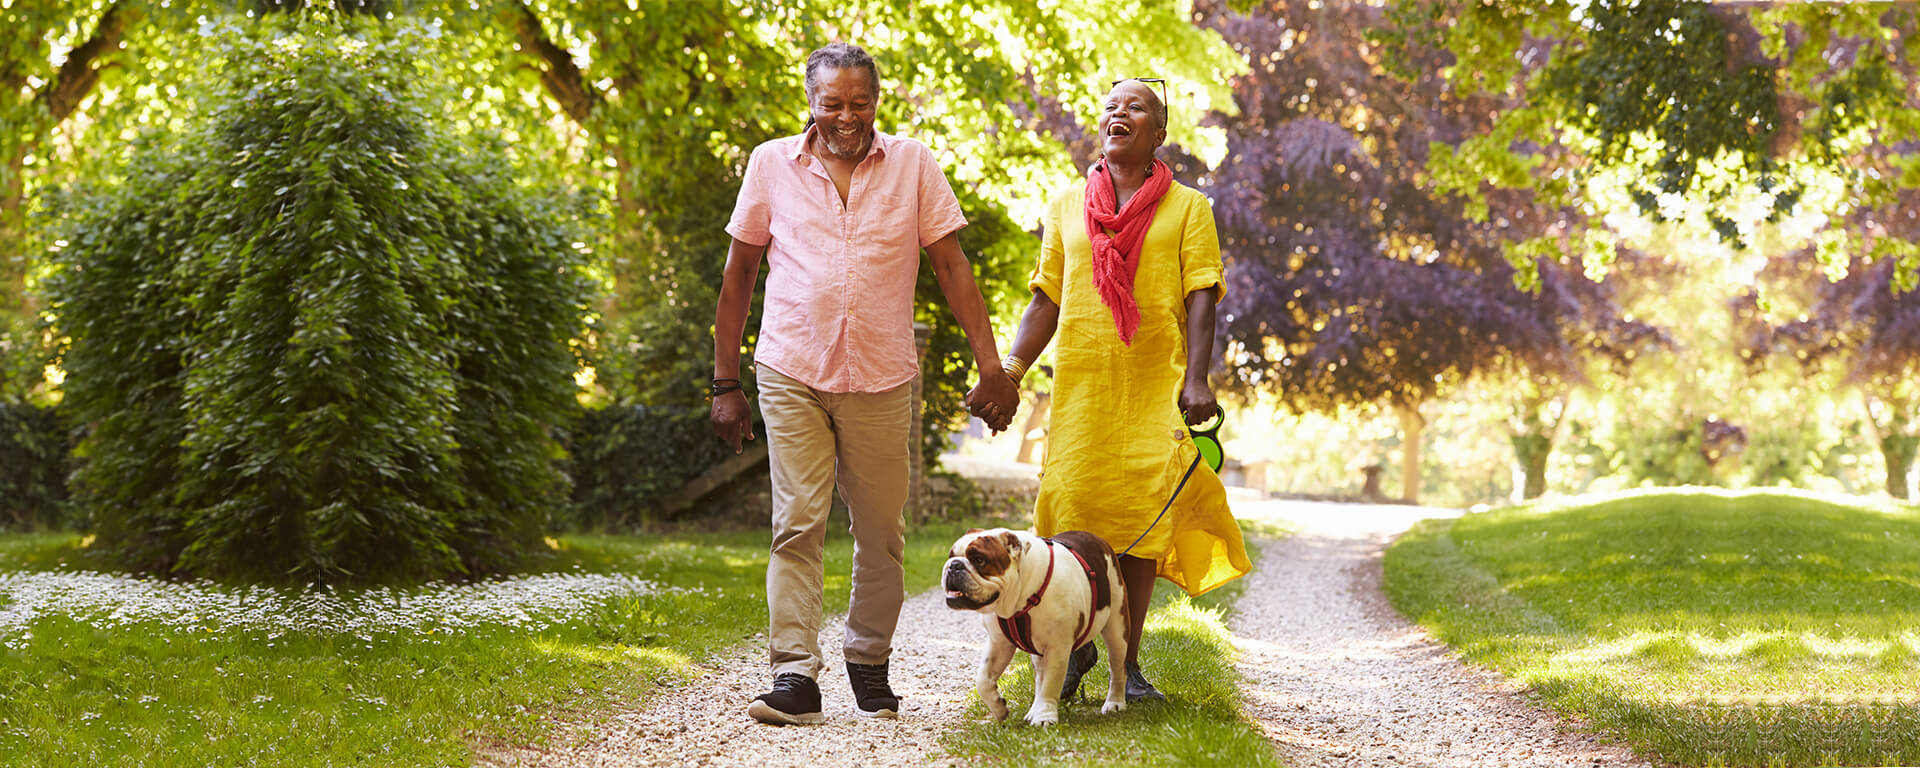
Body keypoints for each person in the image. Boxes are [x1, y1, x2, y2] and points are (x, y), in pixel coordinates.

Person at [710, 42, 1018, 726]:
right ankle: (794, 674)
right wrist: (723, 381)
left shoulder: (913, 165)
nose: (847, 117)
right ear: (811, 104)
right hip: (791, 367)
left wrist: (990, 365)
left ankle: (868, 660)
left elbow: (951, 266)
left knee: (881, 532)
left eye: (860, 103)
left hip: (880, 376)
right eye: (832, 104)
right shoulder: (770, 164)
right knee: (797, 523)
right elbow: (738, 277)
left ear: (877, 102)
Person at [1000, 77, 1252, 703]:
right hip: (1082, 385)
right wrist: (1009, 372)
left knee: (1140, 523)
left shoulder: (1190, 208)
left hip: (1150, 384)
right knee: (1070, 510)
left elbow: (1201, 296)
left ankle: (1127, 666)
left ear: (1158, 132)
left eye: (1136, 107)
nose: (1120, 114)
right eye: (1112, 107)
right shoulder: (1064, 205)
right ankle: (1073, 648)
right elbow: (1046, 299)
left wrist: (1197, 376)